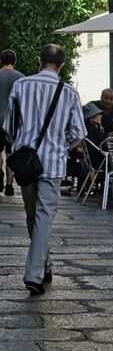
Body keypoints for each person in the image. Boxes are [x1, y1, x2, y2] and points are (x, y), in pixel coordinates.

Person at [3, 44, 85, 295]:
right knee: (43, 217)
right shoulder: (69, 93)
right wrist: (62, 145)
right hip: (53, 162)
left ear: (40, 60)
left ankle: (41, 267)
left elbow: (9, 126)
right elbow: (79, 132)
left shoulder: (21, 86)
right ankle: (36, 273)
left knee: (32, 215)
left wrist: (20, 144)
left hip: (26, 162)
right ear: (61, 65)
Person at [0, 49, 24, 196]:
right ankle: (9, 185)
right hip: (13, 121)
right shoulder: (22, 78)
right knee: (10, 153)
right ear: (15, 61)